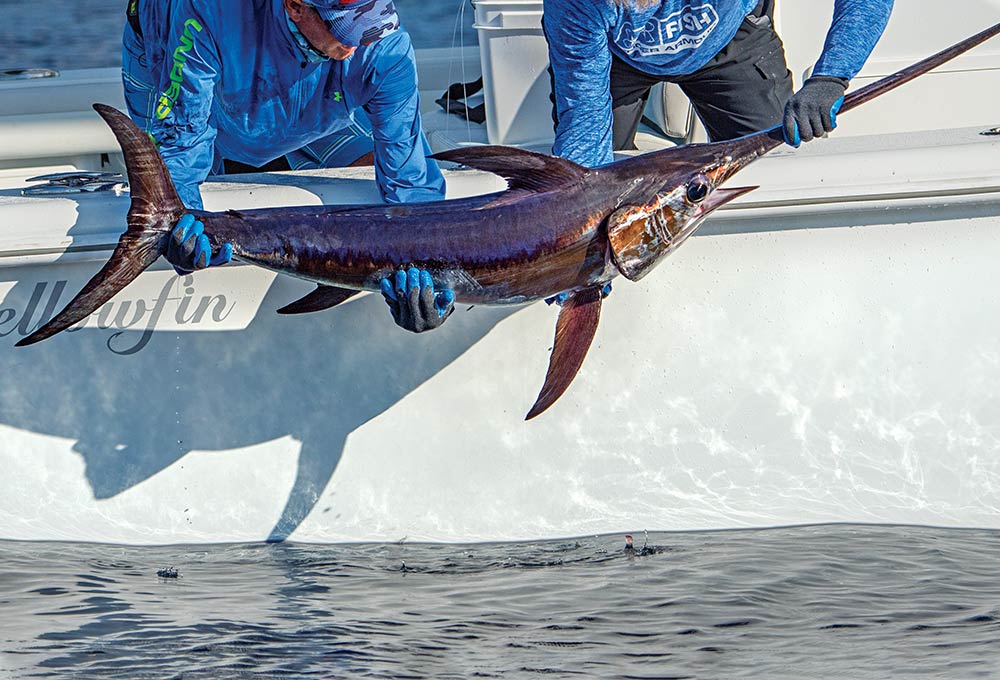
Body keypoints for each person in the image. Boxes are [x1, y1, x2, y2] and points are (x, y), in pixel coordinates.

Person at [122, 0, 454, 333]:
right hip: (180, 54)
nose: (357, 46)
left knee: (373, 164)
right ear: (295, 5)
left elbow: (411, 182)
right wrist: (177, 221)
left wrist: (435, 270)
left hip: (311, 75)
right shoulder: (206, 10)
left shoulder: (383, 47)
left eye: (372, 25)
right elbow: (182, 146)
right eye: (346, 30)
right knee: (169, 204)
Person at [543, 0, 895, 169]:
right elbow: (584, 122)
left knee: (773, 167)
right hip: (616, 56)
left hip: (731, 40)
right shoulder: (574, 4)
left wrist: (830, 75)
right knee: (587, 178)